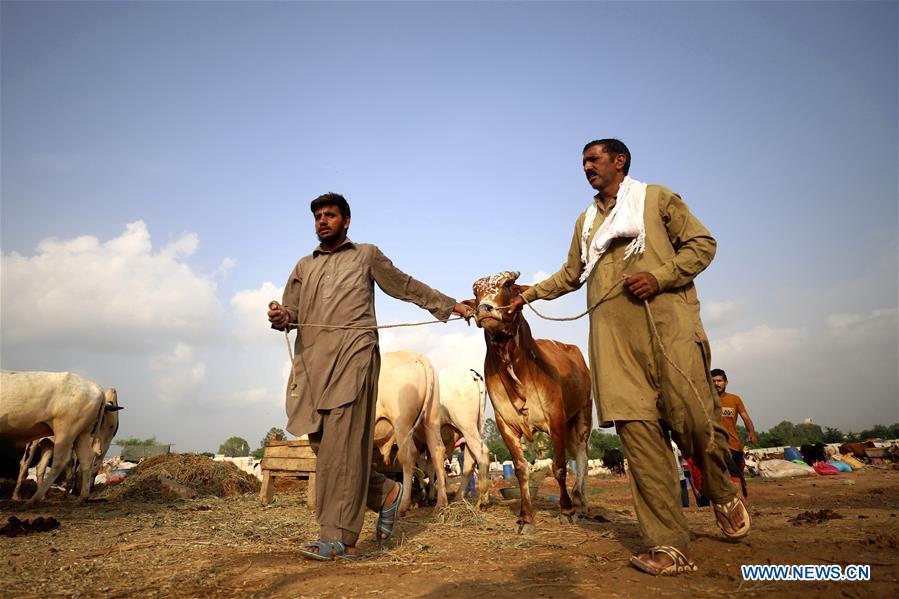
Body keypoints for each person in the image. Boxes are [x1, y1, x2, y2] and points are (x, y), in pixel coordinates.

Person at [507, 139, 750, 576]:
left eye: (594, 159)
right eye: (582, 162)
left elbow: (702, 244)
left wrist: (659, 277)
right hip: (613, 344)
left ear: (620, 162)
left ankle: (720, 489)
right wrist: (524, 295)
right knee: (640, 442)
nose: (586, 167)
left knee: (695, 421)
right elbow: (570, 274)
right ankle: (669, 545)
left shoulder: (656, 198)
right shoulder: (585, 223)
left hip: (669, 332)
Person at [267, 192, 471, 560]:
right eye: (317, 216)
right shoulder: (303, 267)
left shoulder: (366, 255)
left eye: (330, 215)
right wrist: (281, 316)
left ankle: (338, 538)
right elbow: (292, 313)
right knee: (323, 447)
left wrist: (449, 304)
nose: (322, 221)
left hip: (353, 358)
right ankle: (386, 494)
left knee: (343, 452)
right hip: (313, 366)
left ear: (346, 221)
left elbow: (403, 284)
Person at [711, 368, 757, 498]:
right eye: (713, 381)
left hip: (735, 445)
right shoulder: (705, 400)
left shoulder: (735, 399)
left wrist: (751, 432)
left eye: (719, 380)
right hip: (718, 445)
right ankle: (736, 508)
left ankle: (742, 508)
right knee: (733, 475)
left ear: (726, 382)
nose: (716, 383)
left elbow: (745, 417)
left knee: (739, 477)